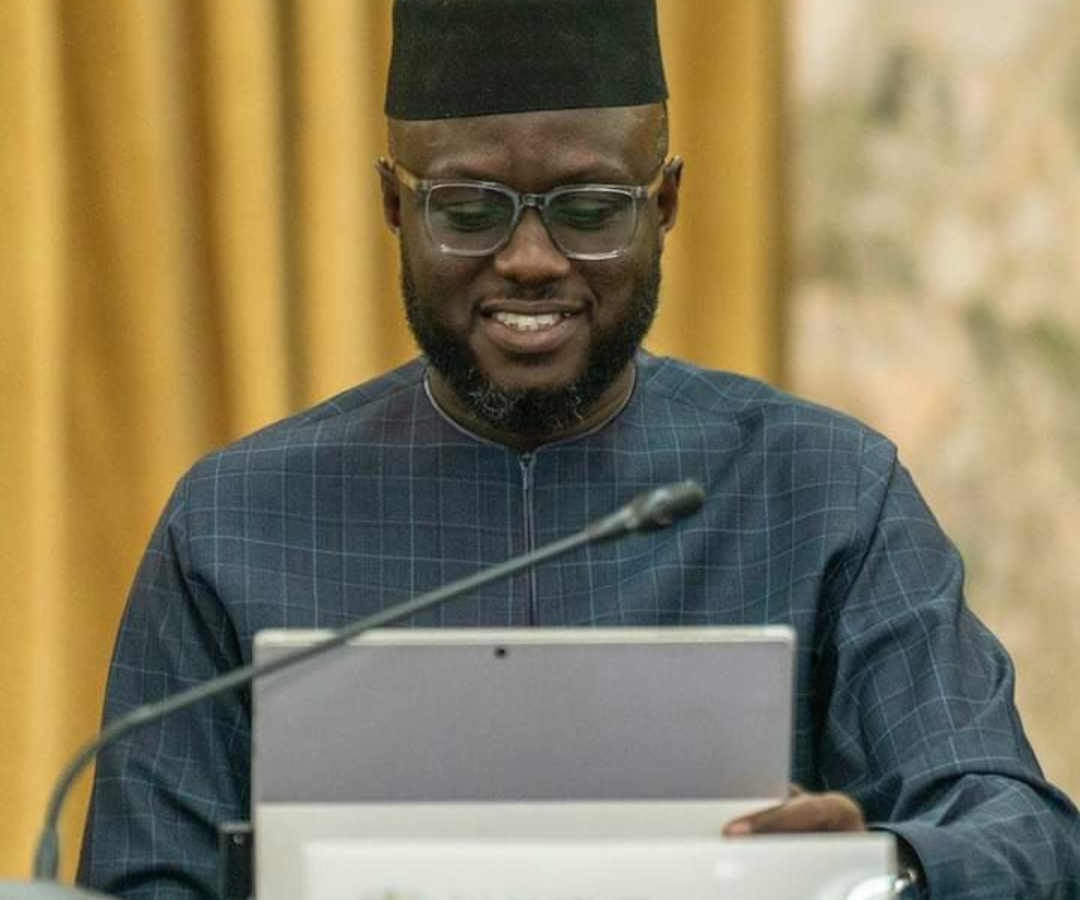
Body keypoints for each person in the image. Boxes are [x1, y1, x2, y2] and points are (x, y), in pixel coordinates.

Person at [78, 1, 1079, 898]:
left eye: (590, 211)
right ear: (395, 206)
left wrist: (882, 868)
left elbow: (1026, 837)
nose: (530, 260)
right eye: (470, 210)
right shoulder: (236, 522)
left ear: (665, 203)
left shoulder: (821, 490)